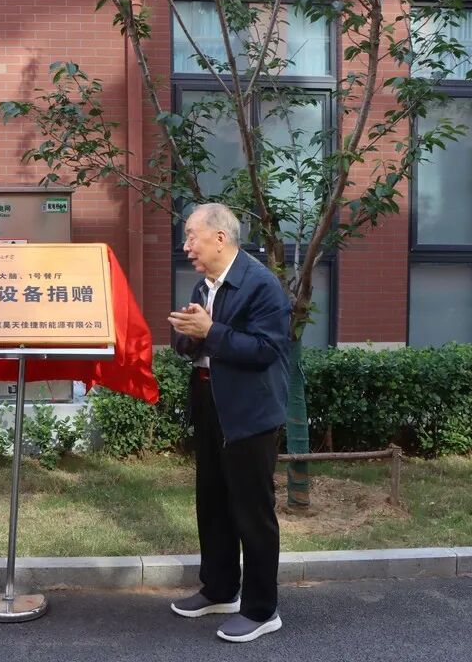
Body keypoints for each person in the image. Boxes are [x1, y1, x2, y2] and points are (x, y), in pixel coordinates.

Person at [167, 203, 291, 644]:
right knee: (213, 500)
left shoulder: (261, 285)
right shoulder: (206, 285)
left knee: (252, 512)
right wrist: (186, 334)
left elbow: (266, 350)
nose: (186, 246)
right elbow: (193, 342)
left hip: (249, 412)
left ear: (220, 238)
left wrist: (209, 332)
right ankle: (220, 589)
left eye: (191, 236)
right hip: (210, 404)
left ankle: (261, 609)